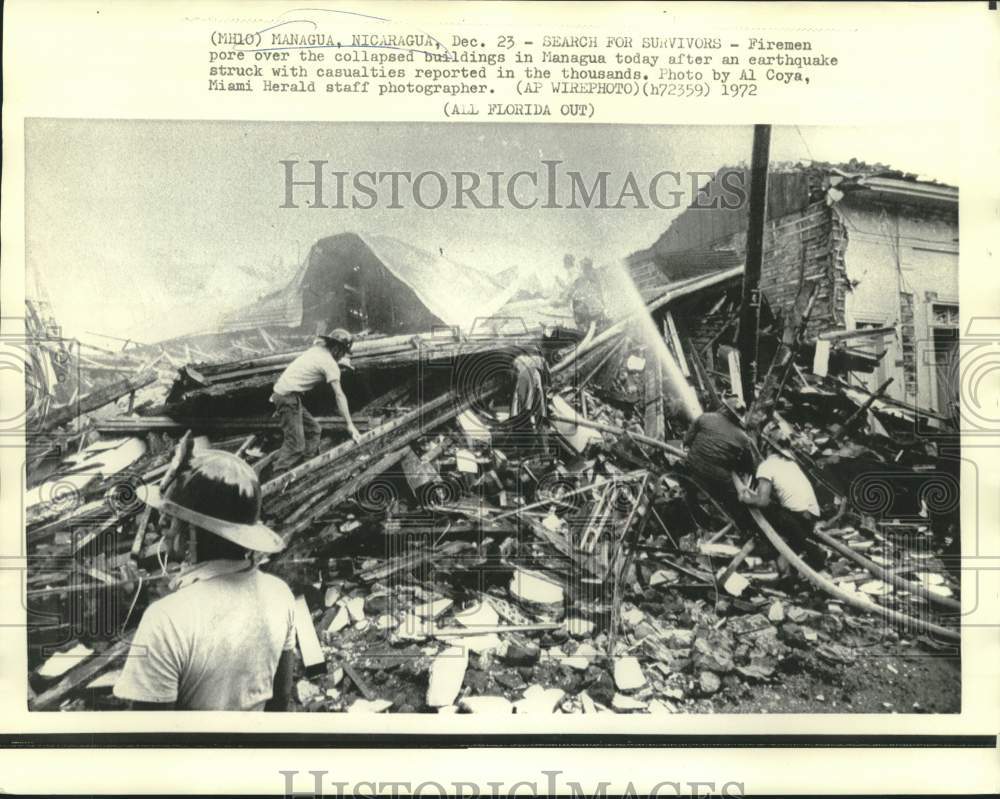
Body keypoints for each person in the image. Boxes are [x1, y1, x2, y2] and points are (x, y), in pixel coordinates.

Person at [114, 448, 296, 711]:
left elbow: (150, 739)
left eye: (171, 518)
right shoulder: (280, 595)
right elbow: (280, 698)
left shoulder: (164, 619)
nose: (161, 525)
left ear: (193, 531)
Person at [738, 426, 828, 578]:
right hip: (812, 514)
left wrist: (745, 498)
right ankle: (794, 553)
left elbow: (762, 501)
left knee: (755, 513)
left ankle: (775, 553)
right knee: (780, 516)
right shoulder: (791, 464)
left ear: (766, 446)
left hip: (796, 518)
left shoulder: (766, 466)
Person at [271, 328, 361, 472]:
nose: (342, 356)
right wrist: (350, 424)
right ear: (337, 348)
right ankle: (277, 480)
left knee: (314, 430)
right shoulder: (330, 364)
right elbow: (339, 395)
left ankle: (306, 469)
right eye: (343, 352)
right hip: (288, 398)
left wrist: (340, 362)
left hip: (285, 394)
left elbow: (319, 363)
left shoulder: (317, 350)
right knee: (295, 445)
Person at [682, 396, 756, 520]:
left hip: (692, 463)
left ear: (724, 407)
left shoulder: (705, 417)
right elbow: (748, 466)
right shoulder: (743, 438)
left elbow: (686, 441)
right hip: (715, 475)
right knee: (735, 496)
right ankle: (742, 523)